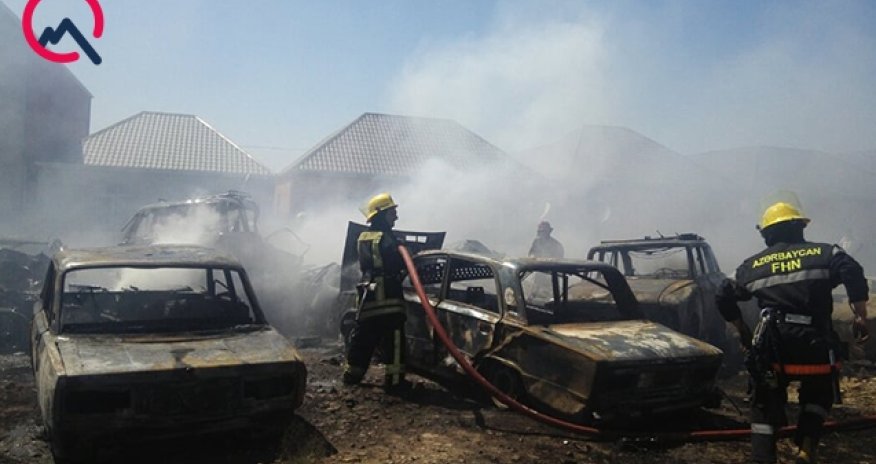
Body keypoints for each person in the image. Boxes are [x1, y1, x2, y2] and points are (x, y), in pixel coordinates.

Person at [716, 200, 870, 464]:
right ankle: (807, 444)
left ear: (767, 234)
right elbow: (852, 270)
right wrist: (860, 313)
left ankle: (763, 457)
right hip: (814, 346)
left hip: (773, 349)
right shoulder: (827, 253)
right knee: (819, 391)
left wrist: (742, 329)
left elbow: (722, 293)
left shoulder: (751, 265)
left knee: (764, 400)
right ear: (801, 227)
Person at [343, 192, 409, 393]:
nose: (395, 217)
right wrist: (405, 251)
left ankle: (352, 375)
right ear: (381, 214)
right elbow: (395, 263)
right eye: (392, 212)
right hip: (388, 296)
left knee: (363, 338)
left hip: (367, 297)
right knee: (395, 341)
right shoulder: (388, 239)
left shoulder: (363, 236)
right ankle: (395, 383)